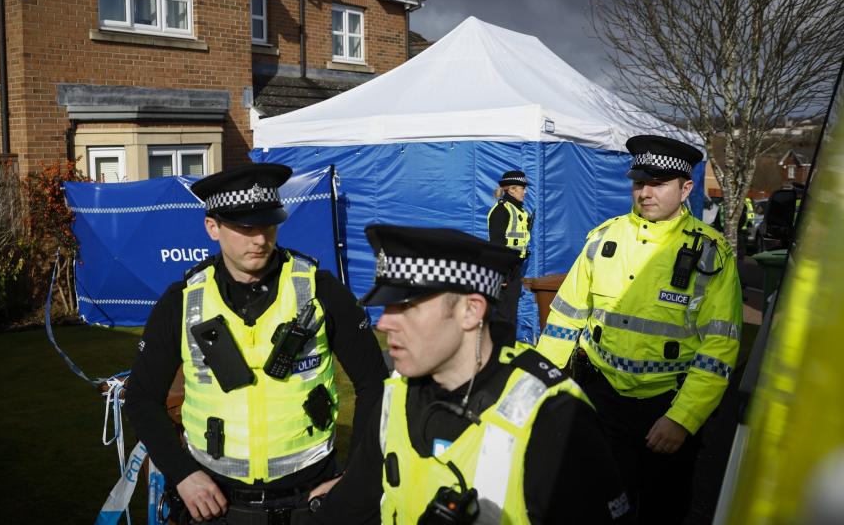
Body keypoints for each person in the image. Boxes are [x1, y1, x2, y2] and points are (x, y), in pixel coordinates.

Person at [310, 225, 631, 524]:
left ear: (471, 310)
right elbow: (354, 503)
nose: (384, 324)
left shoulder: (555, 418)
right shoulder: (397, 393)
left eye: (406, 308)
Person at [125, 163, 388, 524]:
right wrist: (183, 474)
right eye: (245, 228)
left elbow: (375, 383)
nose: (260, 239)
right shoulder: (182, 300)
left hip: (310, 502)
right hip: (216, 506)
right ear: (212, 227)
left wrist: (356, 475)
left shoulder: (321, 290)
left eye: (268, 224)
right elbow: (140, 397)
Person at [536, 134, 742, 524]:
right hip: (599, 398)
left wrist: (683, 418)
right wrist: (544, 384)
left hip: (665, 407)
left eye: (658, 183)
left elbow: (718, 348)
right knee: (596, 504)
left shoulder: (711, 254)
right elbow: (565, 316)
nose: (645, 192)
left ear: (686, 189)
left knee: (661, 510)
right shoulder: (604, 239)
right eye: (639, 182)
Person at [487, 169, 537, 347]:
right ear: (512, 189)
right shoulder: (501, 210)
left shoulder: (518, 211)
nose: (526, 191)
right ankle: (498, 353)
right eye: (522, 188)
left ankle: (506, 350)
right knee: (503, 315)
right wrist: (501, 275)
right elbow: (497, 245)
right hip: (505, 270)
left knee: (510, 315)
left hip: (514, 269)